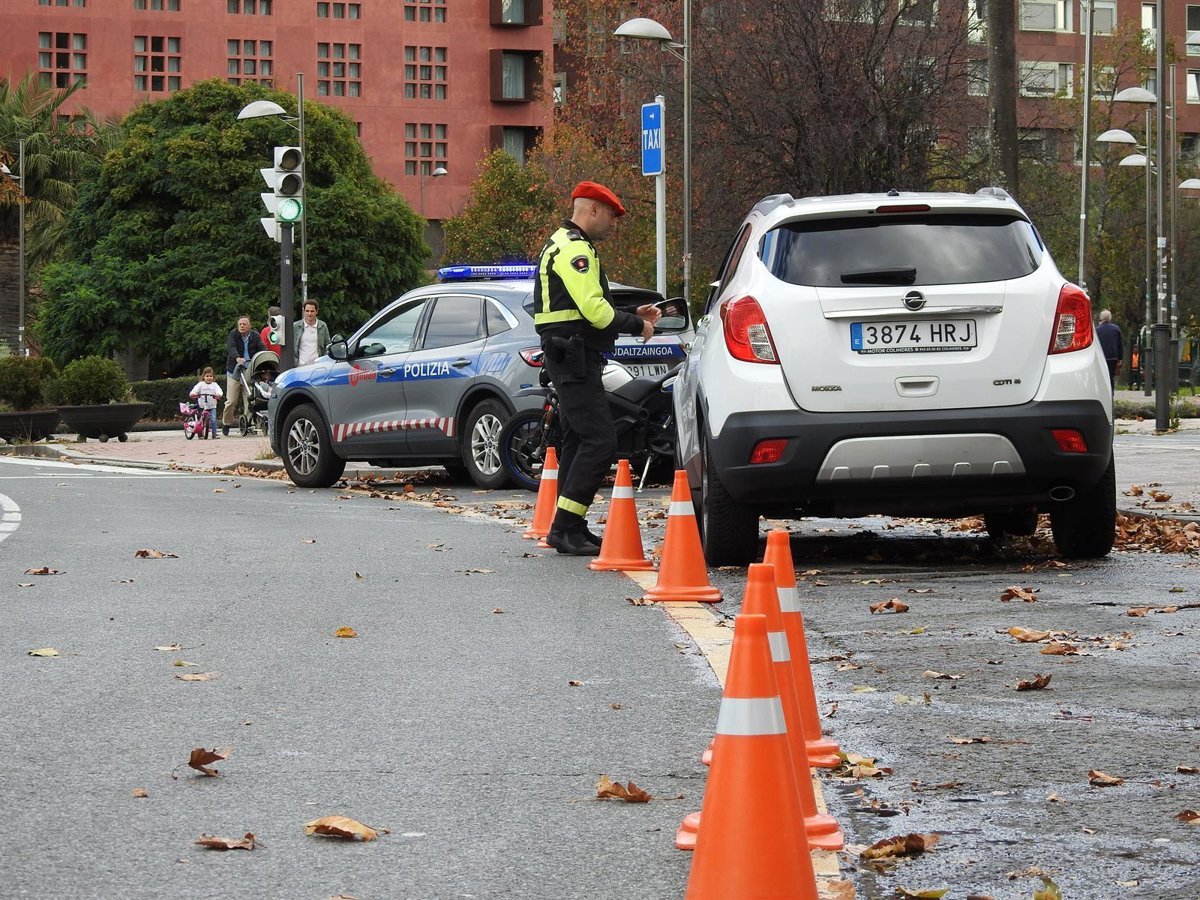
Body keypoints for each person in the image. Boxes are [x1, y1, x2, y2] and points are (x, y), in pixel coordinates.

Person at [534, 181, 661, 556]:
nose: (613, 223)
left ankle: (568, 526)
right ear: (591, 210)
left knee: (578, 441)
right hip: (574, 357)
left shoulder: (565, 243)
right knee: (601, 441)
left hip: (571, 355)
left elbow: (583, 305)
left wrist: (631, 312)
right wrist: (638, 325)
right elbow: (594, 311)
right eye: (610, 215)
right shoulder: (575, 249)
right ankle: (565, 527)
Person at [223, 315, 266, 435]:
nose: (242, 326)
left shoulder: (255, 336)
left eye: (244, 324)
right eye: (240, 324)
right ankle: (226, 423)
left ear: (250, 325)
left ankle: (247, 424)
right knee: (231, 401)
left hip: (249, 371)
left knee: (250, 399)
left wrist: (261, 358)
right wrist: (237, 358)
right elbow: (231, 347)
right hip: (234, 371)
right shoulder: (233, 335)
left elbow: (262, 348)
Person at [293, 299, 331, 367]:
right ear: (303, 311)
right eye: (307, 311)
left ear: (317, 311)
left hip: (317, 366)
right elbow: (291, 346)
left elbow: (328, 346)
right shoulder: (296, 326)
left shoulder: (322, 326)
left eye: (312, 311)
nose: (309, 313)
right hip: (300, 366)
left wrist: (323, 362)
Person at [189, 366, 224, 439]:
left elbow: (219, 390)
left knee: (213, 419)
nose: (209, 378)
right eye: (207, 376)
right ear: (203, 377)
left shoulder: (214, 385)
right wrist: (193, 393)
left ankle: (214, 434)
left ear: (213, 377)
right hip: (202, 406)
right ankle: (200, 434)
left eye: (211, 376)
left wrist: (219, 394)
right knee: (200, 420)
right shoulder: (200, 384)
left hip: (212, 406)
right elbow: (195, 390)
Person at [1096, 309, 1123, 394]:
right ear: (1110, 318)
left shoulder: (1097, 330)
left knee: (1102, 376)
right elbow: (1120, 345)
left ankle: (1102, 393)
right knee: (1111, 376)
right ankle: (1111, 393)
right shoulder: (1116, 329)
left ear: (1101, 318)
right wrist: (1120, 358)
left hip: (1102, 357)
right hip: (1113, 357)